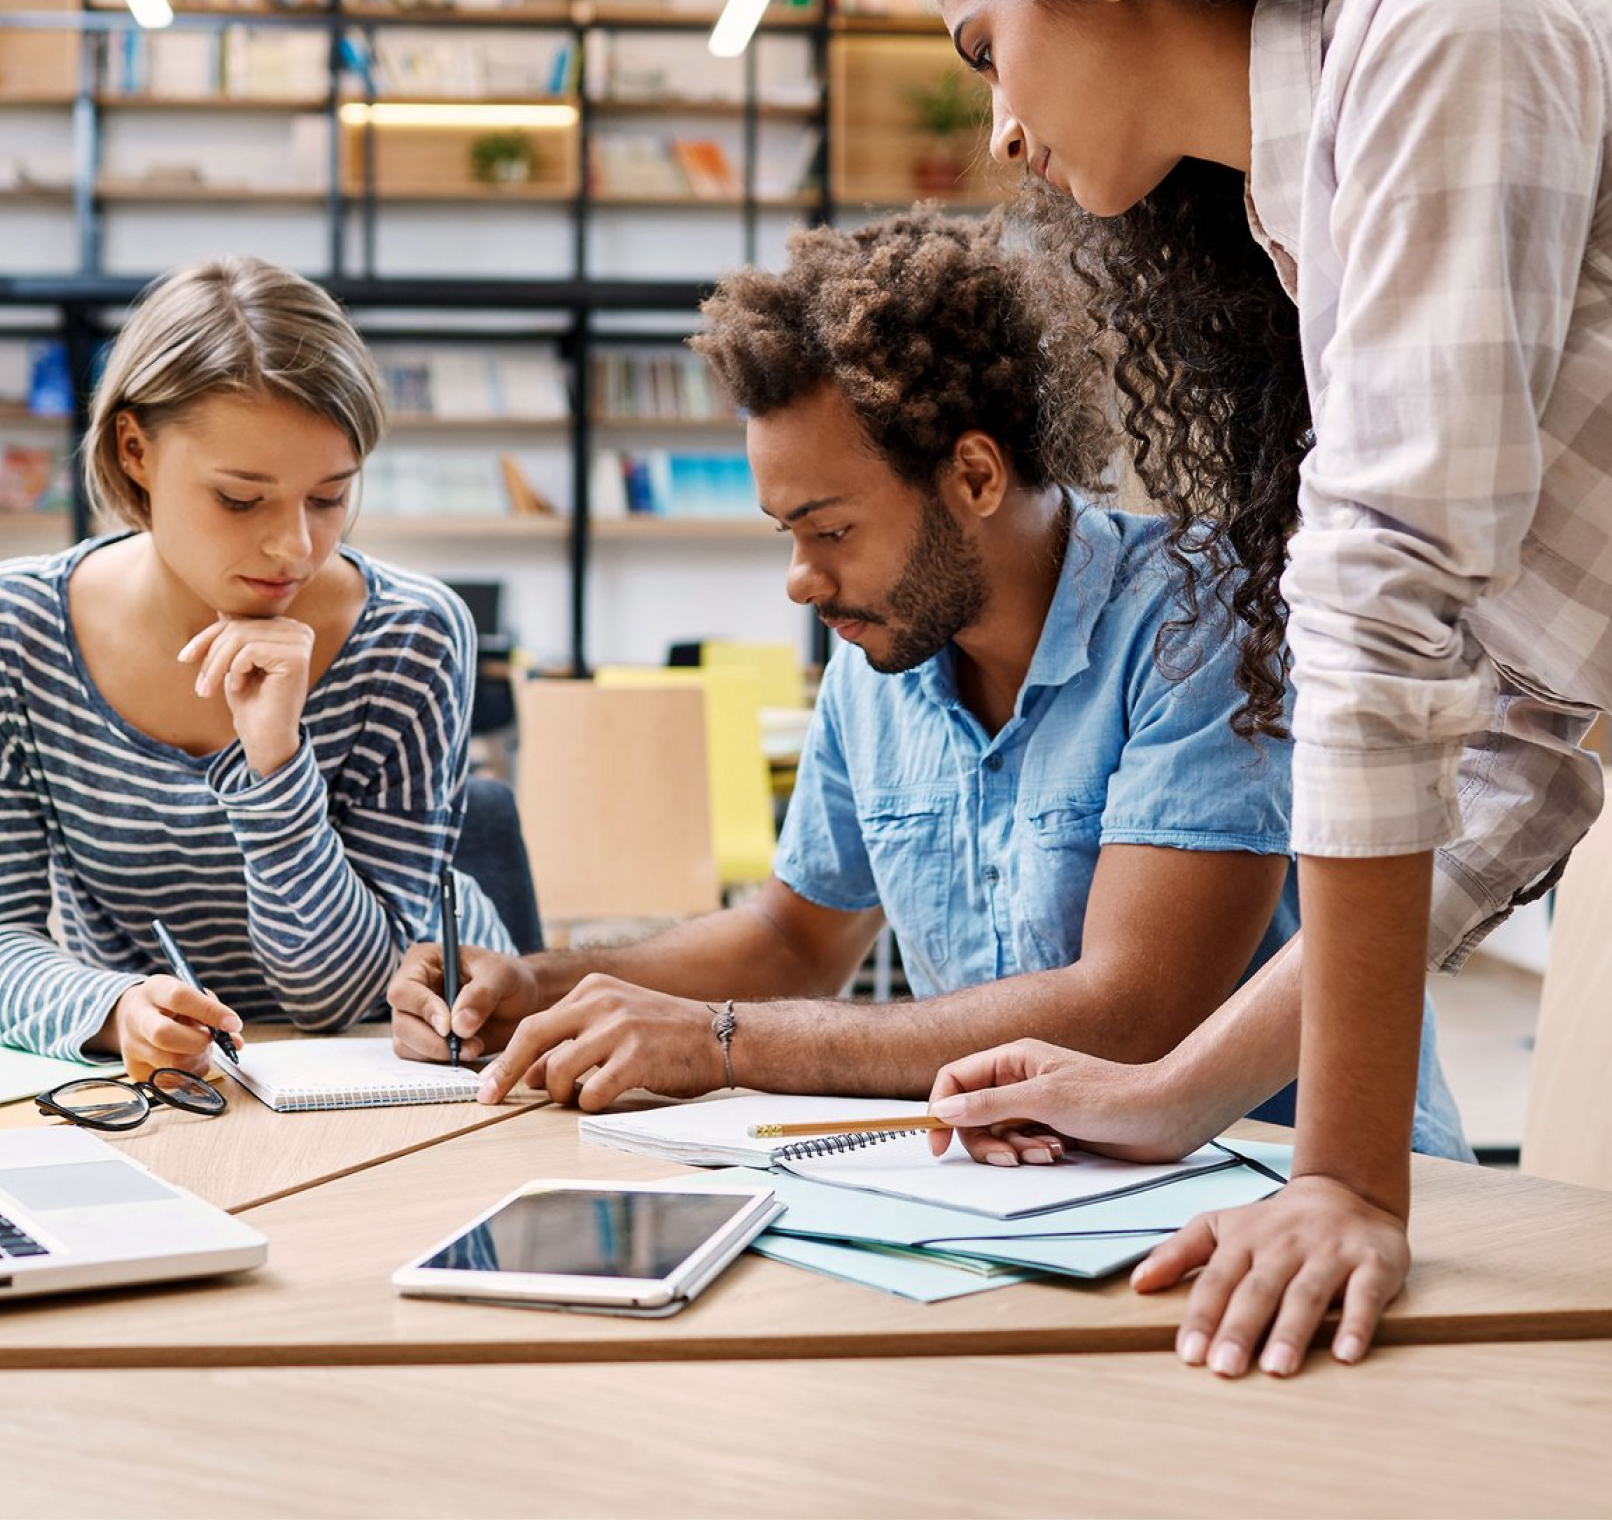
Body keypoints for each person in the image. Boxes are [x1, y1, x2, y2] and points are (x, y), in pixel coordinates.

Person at [906, 0, 1612, 1379]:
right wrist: (1184, 1090)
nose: (1002, 126)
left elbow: (1383, 603)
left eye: (985, 47)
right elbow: (1508, 752)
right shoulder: (1325, 206)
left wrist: (1347, 1176)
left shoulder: (1448, 7)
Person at [388, 210, 1468, 1158]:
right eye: (788, 533)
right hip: (1044, 1191)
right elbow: (794, 937)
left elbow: (1131, 1011)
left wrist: (721, 1040)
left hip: (1280, 1181)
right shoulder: (883, 655)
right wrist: (542, 985)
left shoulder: (1193, 616)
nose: (801, 580)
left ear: (975, 475)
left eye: (830, 529)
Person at [0, 258, 509, 1078]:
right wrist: (110, 1008)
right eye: (241, 499)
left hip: (388, 1070)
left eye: (330, 496)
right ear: (134, 450)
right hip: (165, 1078)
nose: (295, 547)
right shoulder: (3, 629)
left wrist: (275, 762)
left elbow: (339, 994)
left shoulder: (413, 637)